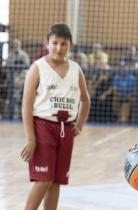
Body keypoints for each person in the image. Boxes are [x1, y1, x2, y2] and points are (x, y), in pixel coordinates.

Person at [20, 23, 90, 210]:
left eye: (63, 44)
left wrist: (80, 124)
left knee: (56, 181)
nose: (59, 48)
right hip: (42, 127)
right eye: (55, 43)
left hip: (65, 129)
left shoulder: (76, 69)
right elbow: (26, 106)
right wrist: (31, 138)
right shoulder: (38, 68)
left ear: (70, 45)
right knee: (43, 180)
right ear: (47, 43)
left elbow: (85, 100)